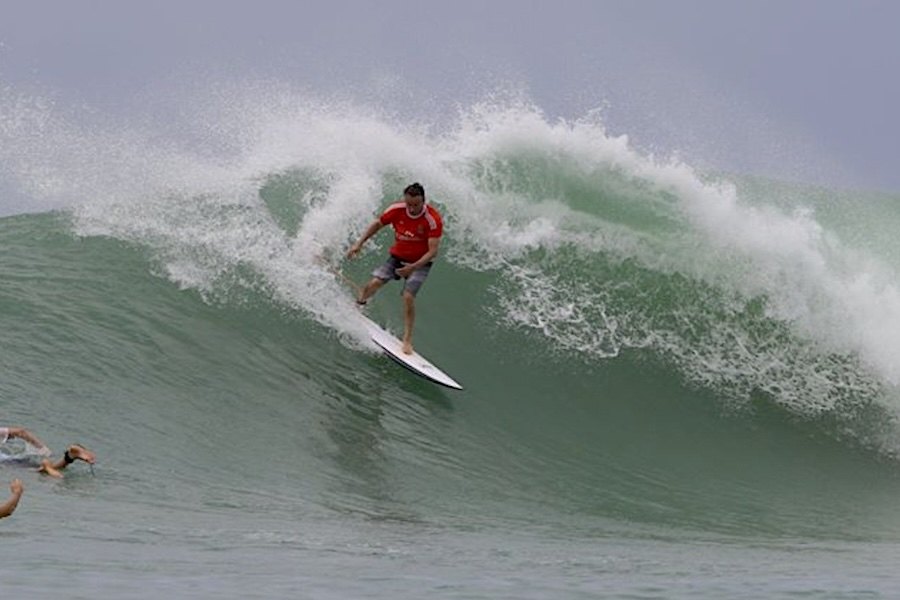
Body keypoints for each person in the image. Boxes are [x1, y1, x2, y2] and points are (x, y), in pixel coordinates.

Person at [346, 182, 444, 355]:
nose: (412, 209)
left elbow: (432, 252)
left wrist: (412, 268)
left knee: (407, 297)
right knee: (374, 283)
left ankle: (407, 340)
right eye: (409, 204)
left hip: (420, 263)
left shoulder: (432, 219)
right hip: (397, 258)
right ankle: (358, 308)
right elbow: (377, 224)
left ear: (424, 201)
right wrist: (358, 244)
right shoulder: (397, 210)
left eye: (416, 205)